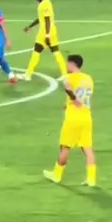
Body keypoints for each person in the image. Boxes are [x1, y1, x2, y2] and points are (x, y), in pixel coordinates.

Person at [43, 54, 97, 187]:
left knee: (65, 147)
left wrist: (73, 99)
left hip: (73, 118)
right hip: (86, 117)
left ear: (73, 64)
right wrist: (67, 104)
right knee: (87, 148)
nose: (67, 66)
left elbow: (68, 88)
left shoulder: (70, 78)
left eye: (68, 64)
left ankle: (56, 175)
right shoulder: (88, 79)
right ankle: (91, 179)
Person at [23, 0, 67, 81]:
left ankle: (28, 74)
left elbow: (47, 20)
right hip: (49, 31)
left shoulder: (46, 3)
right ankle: (64, 73)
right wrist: (30, 26)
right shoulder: (43, 4)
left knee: (37, 51)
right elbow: (40, 18)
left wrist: (47, 35)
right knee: (55, 51)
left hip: (46, 32)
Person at [0, 8, 16, 85]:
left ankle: (11, 75)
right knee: (0, 59)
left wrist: (7, 39)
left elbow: (3, 25)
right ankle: (11, 75)